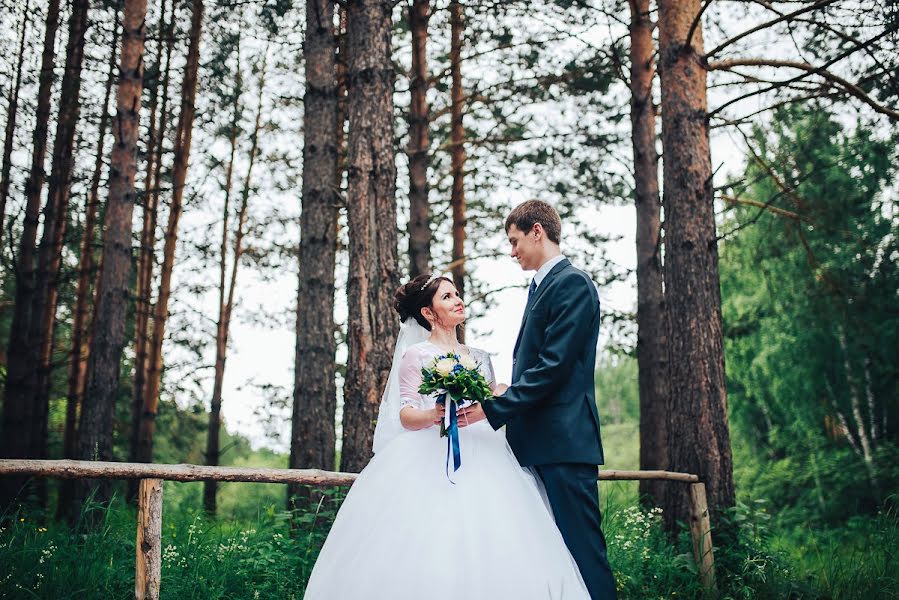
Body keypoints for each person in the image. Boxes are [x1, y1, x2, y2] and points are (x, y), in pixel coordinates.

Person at [303, 273, 589, 600]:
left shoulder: (478, 357)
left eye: (457, 294)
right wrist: (433, 414)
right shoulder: (417, 355)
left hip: (485, 453)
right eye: (448, 297)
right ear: (428, 313)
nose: (458, 300)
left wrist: (500, 395)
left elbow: (490, 404)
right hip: (429, 453)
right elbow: (406, 413)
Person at [459, 200, 617, 599]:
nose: (512, 252)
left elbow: (553, 366)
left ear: (537, 231)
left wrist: (494, 408)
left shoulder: (573, 283)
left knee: (583, 553)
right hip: (535, 444)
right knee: (551, 557)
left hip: (563, 444)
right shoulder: (541, 287)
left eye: (514, 242)